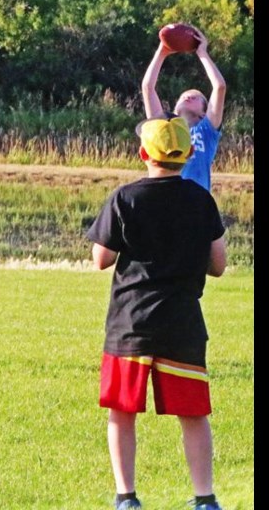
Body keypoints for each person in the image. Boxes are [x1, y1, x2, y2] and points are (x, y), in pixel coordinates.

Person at [86, 115, 227, 510]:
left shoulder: (125, 198)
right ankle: (205, 499)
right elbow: (218, 265)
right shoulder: (202, 200)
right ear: (188, 155)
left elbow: (102, 258)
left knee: (122, 412)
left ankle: (126, 497)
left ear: (143, 153)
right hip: (182, 323)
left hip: (130, 323)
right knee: (193, 415)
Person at [141, 24, 227, 192]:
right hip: (166, 198)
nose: (188, 96)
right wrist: (162, 51)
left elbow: (219, 86)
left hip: (195, 203)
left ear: (204, 113)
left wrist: (202, 53)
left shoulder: (206, 131)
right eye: (183, 96)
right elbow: (148, 87)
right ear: (175, 107)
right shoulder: (165, 125)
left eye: (195, 97)